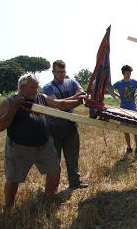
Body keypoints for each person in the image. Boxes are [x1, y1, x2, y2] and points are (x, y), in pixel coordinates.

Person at [0, 73, 85, 208]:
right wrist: (14, 107)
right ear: (22, 87)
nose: (35, 91)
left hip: (44, 144)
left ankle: (49, 198)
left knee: (54, 170)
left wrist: (79, 101)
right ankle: (8, 207)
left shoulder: (40, 98)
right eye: (32, 87)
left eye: (36, 87)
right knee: (13, 178)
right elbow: (0, 126)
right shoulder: (9, 101)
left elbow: (59, 104)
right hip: (20, 147)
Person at [42, 60, 88, 189]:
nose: (61, 74)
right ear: (53, 72)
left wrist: (63, 102)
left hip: (70, 126)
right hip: (54, 128)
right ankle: (52, 189)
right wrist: (74, 98)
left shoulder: (72, 82)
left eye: (63, 71)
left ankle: (75, 183)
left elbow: (83, 95)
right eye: (58, 71)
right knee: (54, 160)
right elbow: (56, 105)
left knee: (73, 157)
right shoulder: (48, 88)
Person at [107, 65, 137, 156]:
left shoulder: (134, 82)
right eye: (127, 73)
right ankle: (129, 148)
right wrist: (117, 95)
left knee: (136, 129)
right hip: (123, 110)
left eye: (130, 73)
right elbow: (109, 90)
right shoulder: (119, 84)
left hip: (133, 109)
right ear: (123, 74)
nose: (129, 75)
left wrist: (136, 95)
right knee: (126, 130)